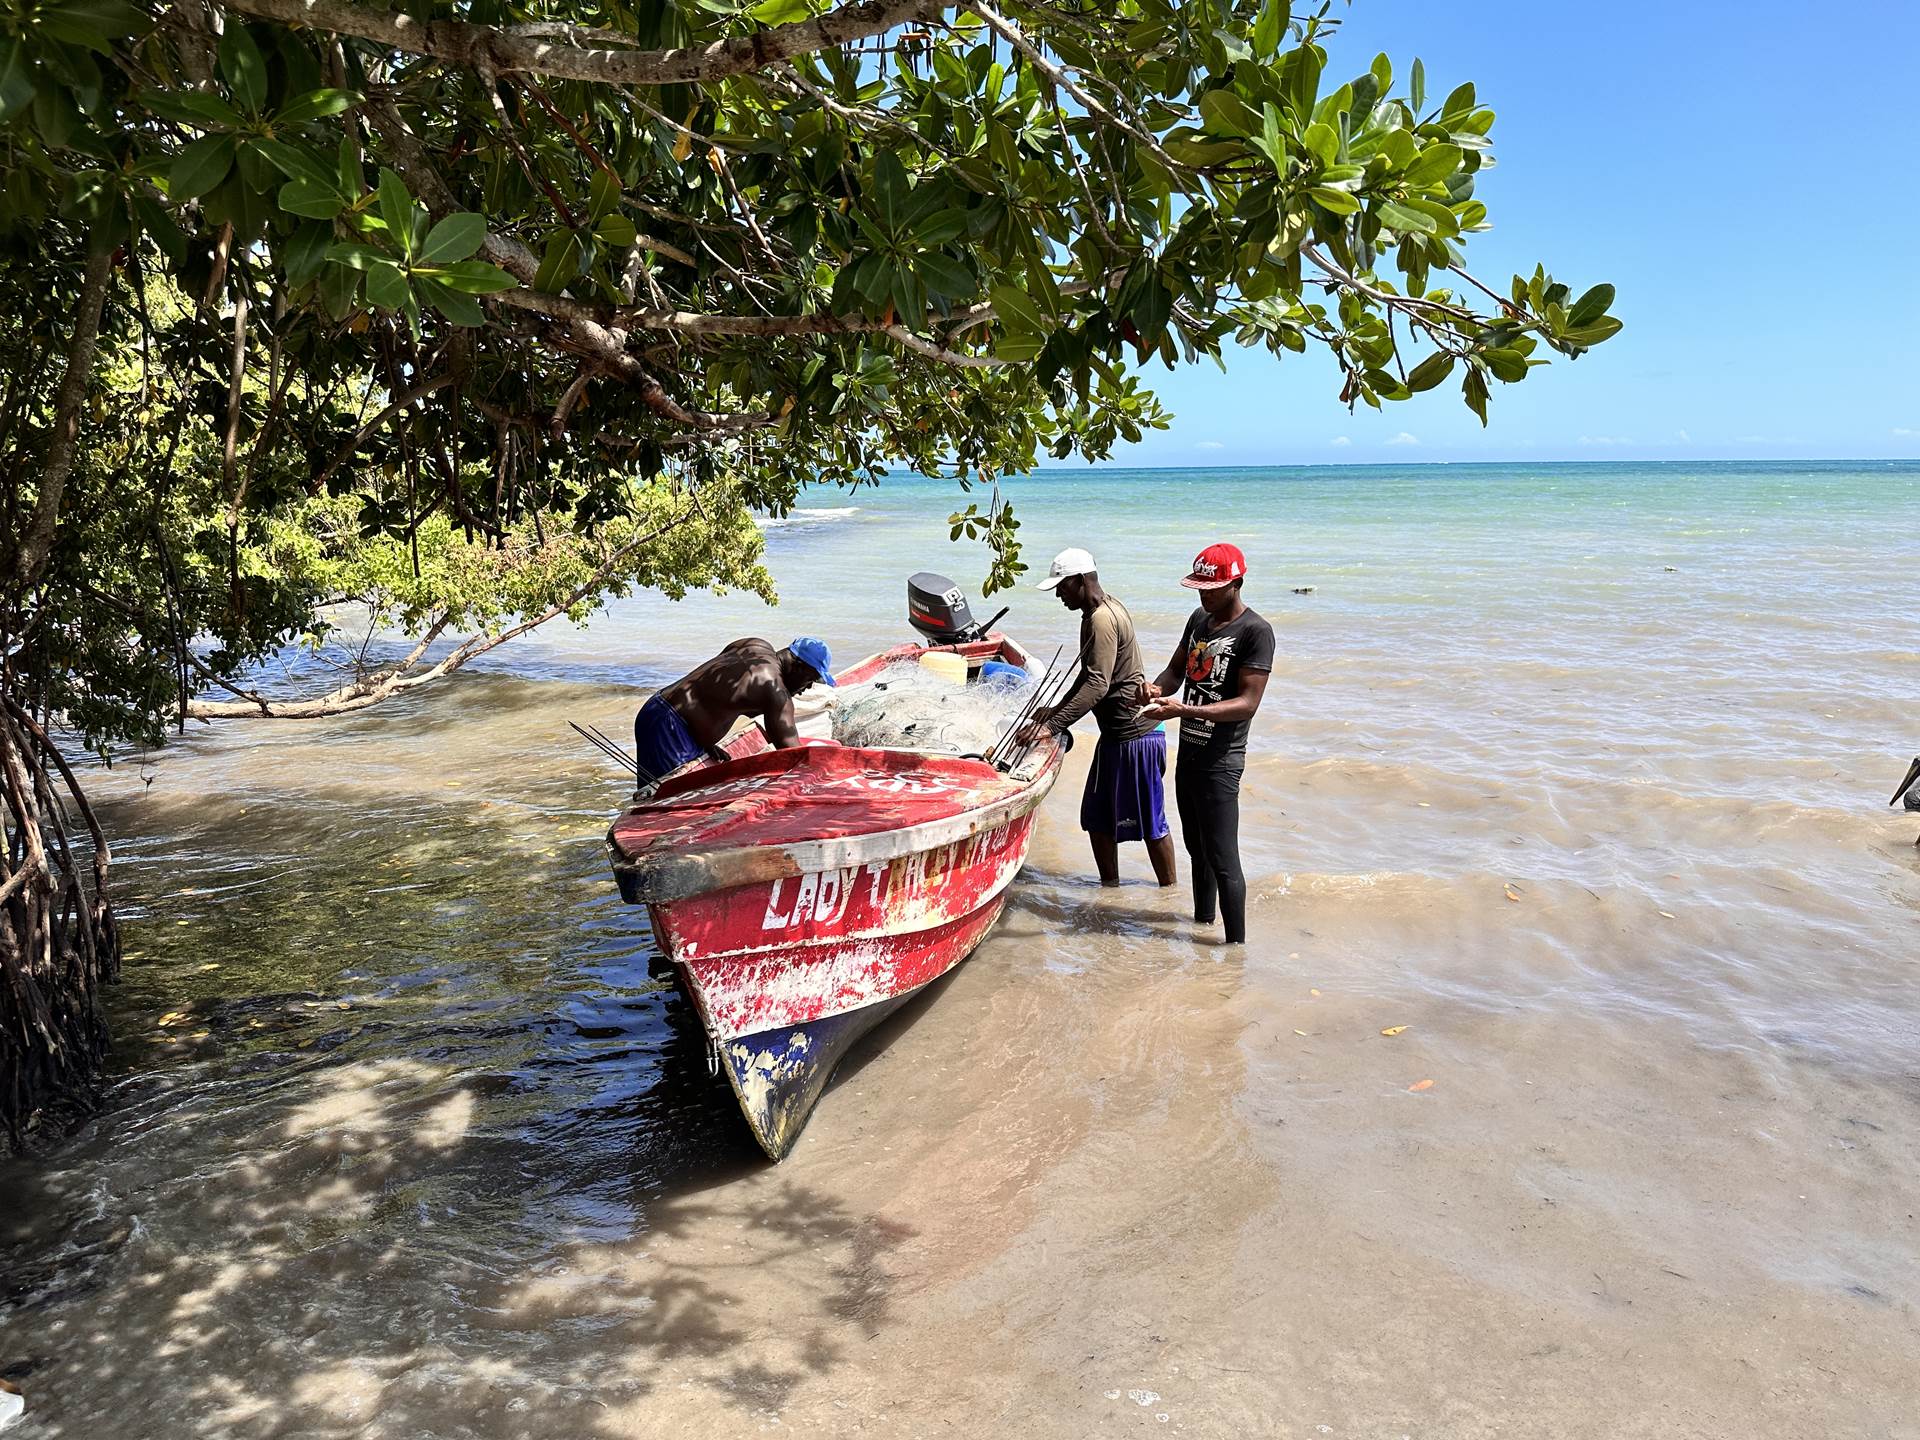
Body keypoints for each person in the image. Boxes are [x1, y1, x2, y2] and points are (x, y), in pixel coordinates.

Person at [1017, 547, 1177, 888]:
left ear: (1078, 581)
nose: (1059, 594)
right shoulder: (1104, 608)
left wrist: (1050, 726)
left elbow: (1097, 685)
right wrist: (1056, 709)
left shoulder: (1101, 620)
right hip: (1121, 736)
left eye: (1061, 586)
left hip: (1135, 735)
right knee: (1099, 819)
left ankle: (1168, 893)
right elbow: (1090, 674)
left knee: (1151, 823)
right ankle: (1111, 891)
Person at [1139, 543, 1274, 944]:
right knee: (1196, 848)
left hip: (1222, 758)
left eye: (1212, 589)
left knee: (1223, 858)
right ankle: (1201, 927)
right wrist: (1154, 689)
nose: (1204, 596)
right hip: (1191, 753)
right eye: (1199, 588)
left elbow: (1247, 703)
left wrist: (1183, 711)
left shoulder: (1256, 632)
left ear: (1237, 584)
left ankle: (1235, 951)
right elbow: (1176, 669)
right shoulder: (1200, 619)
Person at [635, 636, 835, 787]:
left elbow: (716, 692)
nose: (808, 687)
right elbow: (792, 753)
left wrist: (706, 741)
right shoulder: (775, 690)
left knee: (653, 790)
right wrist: (825, 777)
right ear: (798, 666)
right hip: (671, 730)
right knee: (667, 799)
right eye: (810, 679)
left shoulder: (754, 646)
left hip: (657, 707)